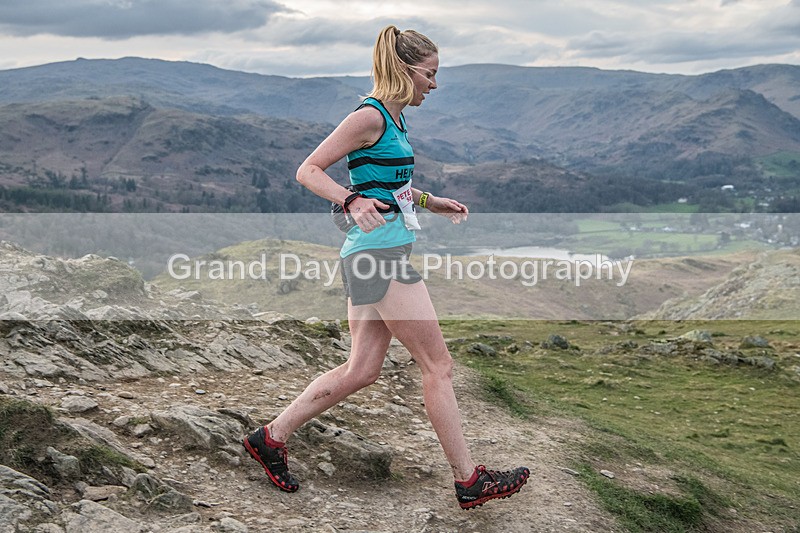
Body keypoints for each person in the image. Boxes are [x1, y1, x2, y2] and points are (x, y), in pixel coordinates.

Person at [243, 24, 530, 510]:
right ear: (404, 69)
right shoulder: (368, 116)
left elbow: (388, 183)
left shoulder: (395, 120)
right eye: (429, 74)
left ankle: (270, 438)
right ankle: (469, 480)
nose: (434, 85)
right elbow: (308, 170)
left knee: (362, 369)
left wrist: (429, 199)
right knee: (438, 366)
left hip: (378, 253)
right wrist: (349, 200)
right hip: (377, 257)